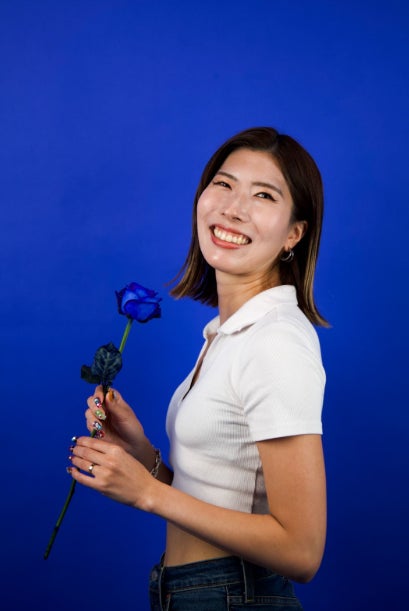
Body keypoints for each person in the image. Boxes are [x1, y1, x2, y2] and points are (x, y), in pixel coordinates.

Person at [68, 126, 328, 610]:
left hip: (232, 597)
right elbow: (222, 499)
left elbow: (301, 550)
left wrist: (147, 494)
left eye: (264, 195)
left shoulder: (276, 340)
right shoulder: (229, 335)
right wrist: (145, 458)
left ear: (294, 233)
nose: (233, 207)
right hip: (191, 592)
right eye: (224, 184)